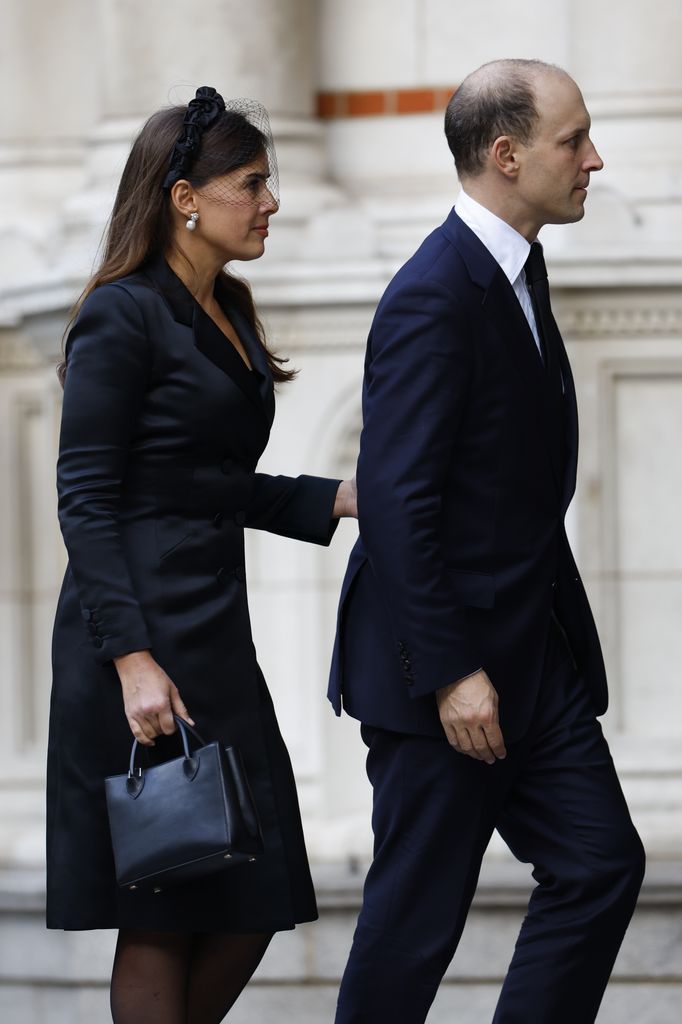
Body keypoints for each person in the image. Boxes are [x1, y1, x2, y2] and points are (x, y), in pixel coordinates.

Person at [328, 59, 645, 1023]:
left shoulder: (518, 265)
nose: (594, 158)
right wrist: (454, 671)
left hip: (532, 661)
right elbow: (394, 502)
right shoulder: (433, 293)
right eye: (573, 141)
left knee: (600, 864)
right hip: (447, 676)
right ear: (506, 156)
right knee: (415, 926)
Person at [47, 86, 357, 1024]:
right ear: (185, 195)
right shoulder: (124, 316)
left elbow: (210, 481)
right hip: (136, 643)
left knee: (251, 897)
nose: (271, 203)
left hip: (214, 635)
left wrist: (338, 498)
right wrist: (132, 658)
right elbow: (87, 499)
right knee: (164, 907)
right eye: (252, 183)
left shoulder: (226, 306)